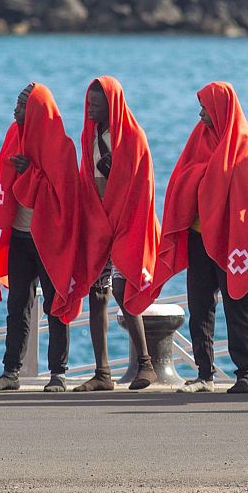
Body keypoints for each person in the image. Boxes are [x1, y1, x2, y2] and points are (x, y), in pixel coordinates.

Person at [151, 82, 248, 395]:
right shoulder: (198, 137)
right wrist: (203, 177)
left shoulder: (241, 142)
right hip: (197, 237)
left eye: (206, 107)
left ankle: (244, 374)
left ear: (219, 108)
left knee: (237, 306)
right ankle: (204, 374)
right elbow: (182, 176)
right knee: (200, 308)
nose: (201, 113)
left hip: (232, 241)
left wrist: (205, 177)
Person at [0, 83, 105, 392]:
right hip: (20, 236)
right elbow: (3, 177)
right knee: (17, 305)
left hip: (51, 241)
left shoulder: (62, 149)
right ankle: (10, 372)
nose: (16, 111)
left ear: (37, 110)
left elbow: (64, 201)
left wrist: (32, 175)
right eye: (16, 104)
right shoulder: (15, 136)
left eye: (23, 106)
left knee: (55, 305)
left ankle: (58, 373)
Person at [77, 76, 161, 392]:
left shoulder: (132, 138)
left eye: (96, 106)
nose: (90, 110)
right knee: (97, 293)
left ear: (112, 106)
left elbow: (143, 185)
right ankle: (102, 372)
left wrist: (125, 219)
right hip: (98, 220)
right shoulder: (91, 135)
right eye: (88, 104)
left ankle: (145, 364)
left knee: (125, 292)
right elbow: (88, 176)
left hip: (125, 221)